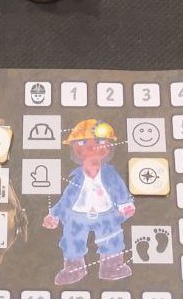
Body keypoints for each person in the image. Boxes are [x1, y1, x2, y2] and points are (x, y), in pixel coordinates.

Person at [41, 119, 135, 285]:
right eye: (83, 142)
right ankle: (74, 269)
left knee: (111, 238)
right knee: (72, 240)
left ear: (109, 147)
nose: (91, 147)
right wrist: (54, 215)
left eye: (99, 142)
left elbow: (119, 190)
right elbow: (67, 199)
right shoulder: (76, 177)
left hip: (106, 214)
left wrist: (126, 205)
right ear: (74, 148)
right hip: (77, 216)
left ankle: (112, 267)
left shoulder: (110, 174)